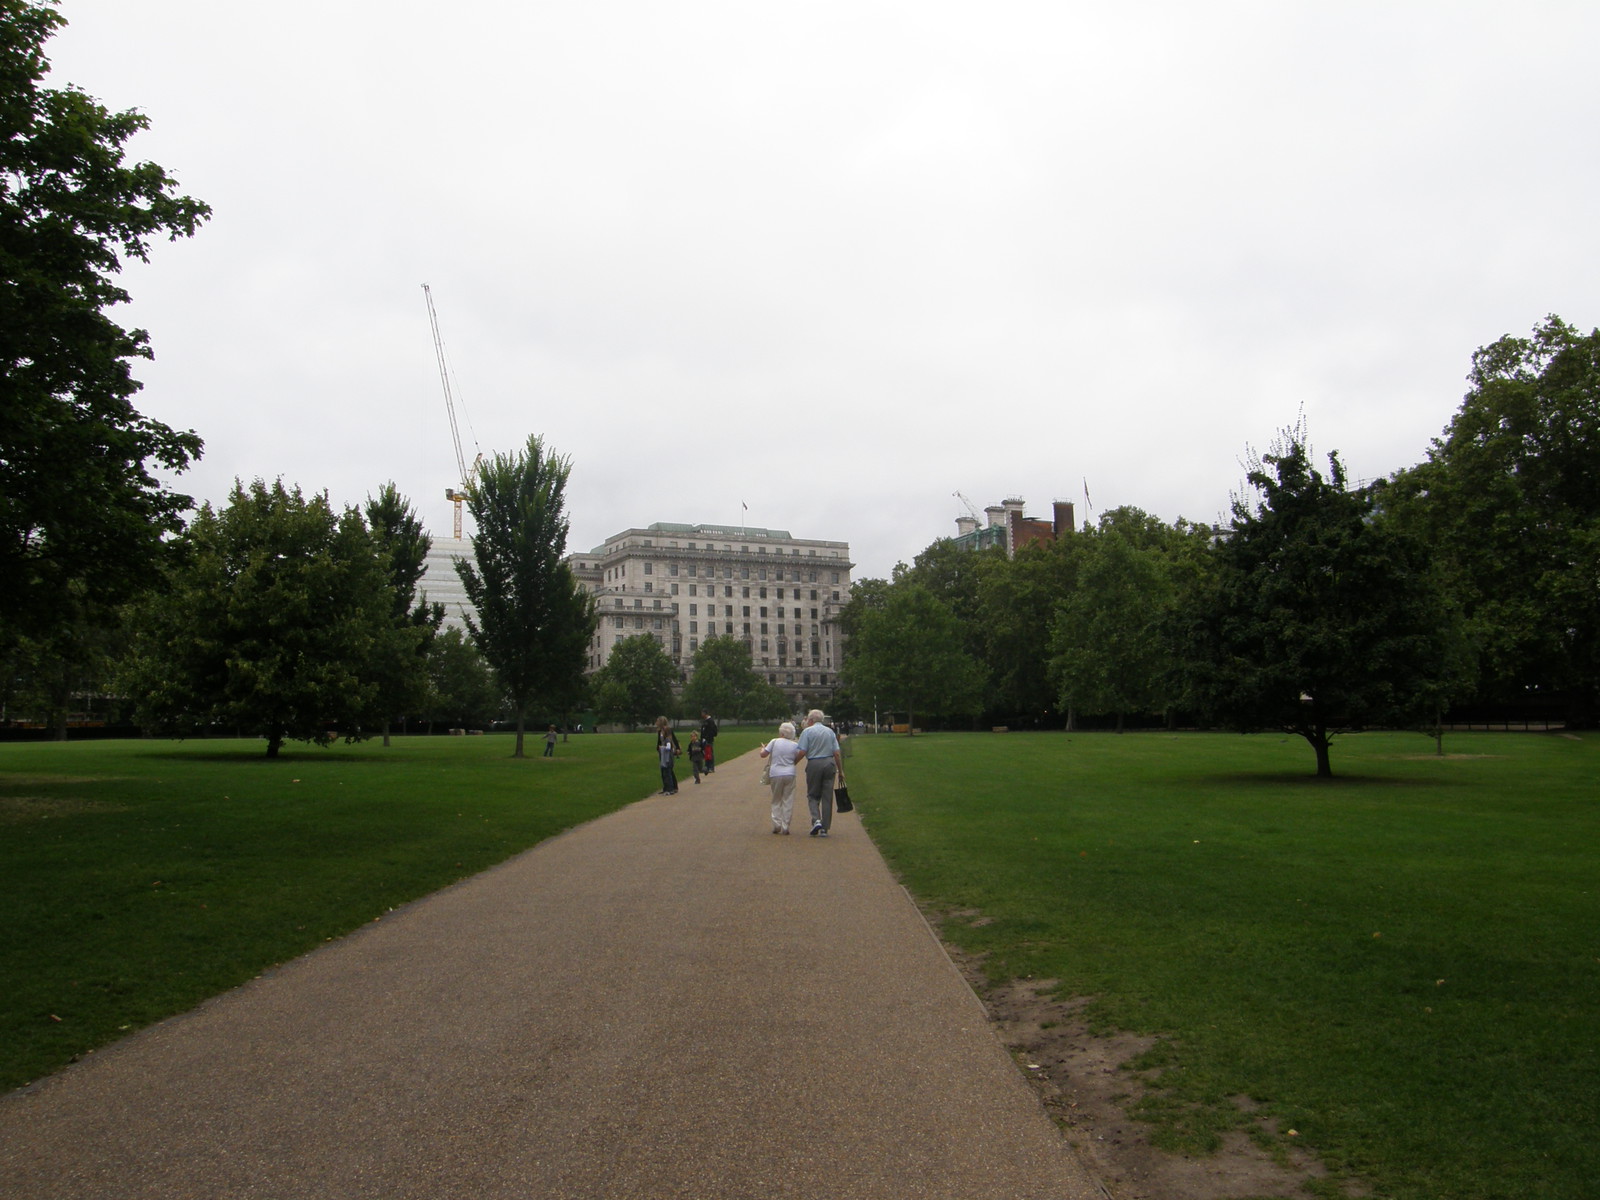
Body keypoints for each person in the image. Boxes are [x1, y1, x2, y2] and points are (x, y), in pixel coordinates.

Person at [795, 709, 845, 837]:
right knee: (827, 796)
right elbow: (837, 753)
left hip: (814, 763)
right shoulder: (830, 732)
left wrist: (792, 763)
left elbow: (802, 752)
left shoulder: (807, 732)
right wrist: (840, 771)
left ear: (810, 720)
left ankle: (816, 819)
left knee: (812, 794)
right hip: (829, 763)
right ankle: (825, 828)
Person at [759, 721, 801, 834]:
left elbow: (763, 754)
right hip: (790, 773)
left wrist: (762, 748)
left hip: (775, 773)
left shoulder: (774, 741)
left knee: (776, 799)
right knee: (788, 799)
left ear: (781, 733)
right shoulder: (795, 745)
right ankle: (785, 825)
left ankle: (776, 823)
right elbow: (796, 757)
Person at [654, 716, 680, 795]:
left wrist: (677, 748)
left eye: (658, 721)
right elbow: (659, 741)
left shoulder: (667, 730)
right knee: (663, 770)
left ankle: (672, 787)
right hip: (662, 751)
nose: (656, 723)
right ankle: (666, 787)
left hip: (667, 751)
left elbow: (673, 739)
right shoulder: (660, 731)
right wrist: (658, 748)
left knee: (668, 770)